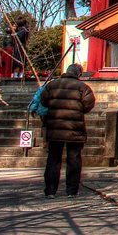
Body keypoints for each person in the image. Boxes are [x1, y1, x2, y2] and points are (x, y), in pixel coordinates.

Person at [40, 63, 95, 197]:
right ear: (79, 74)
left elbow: (43, 101)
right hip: (74, 127)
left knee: (53, 159)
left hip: (55, 125)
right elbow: (89, 104)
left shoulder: (51, 85)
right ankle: (72, 190)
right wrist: (78, 110)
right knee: (74, 159)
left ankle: (50, 190)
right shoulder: (83, 87)